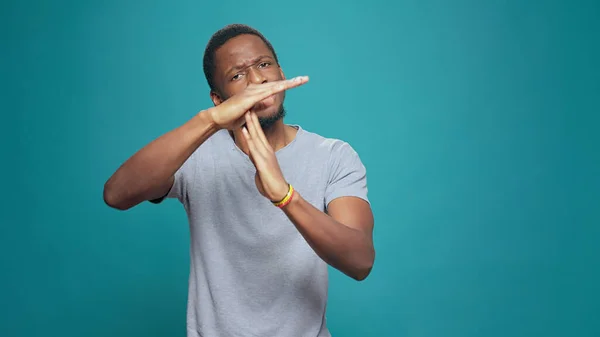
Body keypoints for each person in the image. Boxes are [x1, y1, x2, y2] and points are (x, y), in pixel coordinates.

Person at [103, 23, 375, 337]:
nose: (258, 80)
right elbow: (117, 194)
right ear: (218, 99)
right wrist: (210, 121)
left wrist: (285, 196)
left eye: (264, 65)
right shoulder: (196, 154)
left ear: (281, 73)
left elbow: (360, 261)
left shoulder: (333, 155)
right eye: (237, 75)